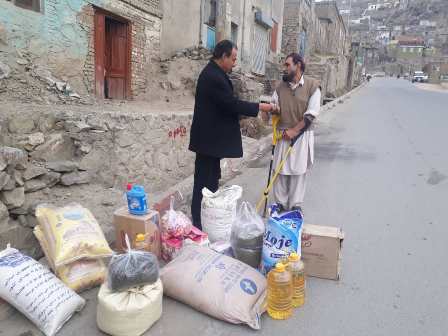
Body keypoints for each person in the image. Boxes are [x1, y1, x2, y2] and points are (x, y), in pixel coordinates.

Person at [189, 40, 274, 230]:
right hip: (208, 142)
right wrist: (259, 107)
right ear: (224, 56)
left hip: (211, 141)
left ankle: (207, 218)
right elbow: (231, 104)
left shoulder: (216, 73)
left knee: (210, 181)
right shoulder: (213, 76)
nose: (235, 63)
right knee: (203, 184)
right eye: (233, 59)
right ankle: (198, 221)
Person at [262, 53, 321, 214]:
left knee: (298, 171)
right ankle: (280, 203)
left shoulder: (312, 86)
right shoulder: (280, 87)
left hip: (301, 135)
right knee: (279, 170)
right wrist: (270, 111)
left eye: (287, 65)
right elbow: (272, 108)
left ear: (299, 65)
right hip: (282, 134)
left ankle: (295, 205)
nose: (284, 68)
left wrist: (294, 131)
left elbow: (311, 114)